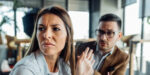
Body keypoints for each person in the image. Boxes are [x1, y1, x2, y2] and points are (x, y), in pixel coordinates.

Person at [9, 6, 94, 75]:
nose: (46, 35)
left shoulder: (65, 66)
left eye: (55, 29)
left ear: (68, 36)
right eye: (41, 28)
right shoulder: (25, 70)